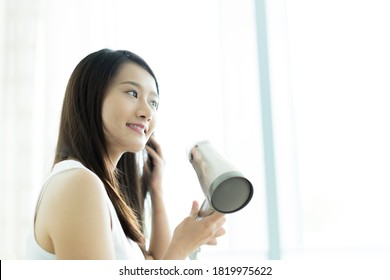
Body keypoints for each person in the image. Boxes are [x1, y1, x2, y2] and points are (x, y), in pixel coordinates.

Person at [26, 49, 226, 260]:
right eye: (133, 93)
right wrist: (182, 246)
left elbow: (156, 264)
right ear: (91, 96)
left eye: (153, 102)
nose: (148, 113)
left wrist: (155, 190)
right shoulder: (79, 184)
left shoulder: (100, 192)